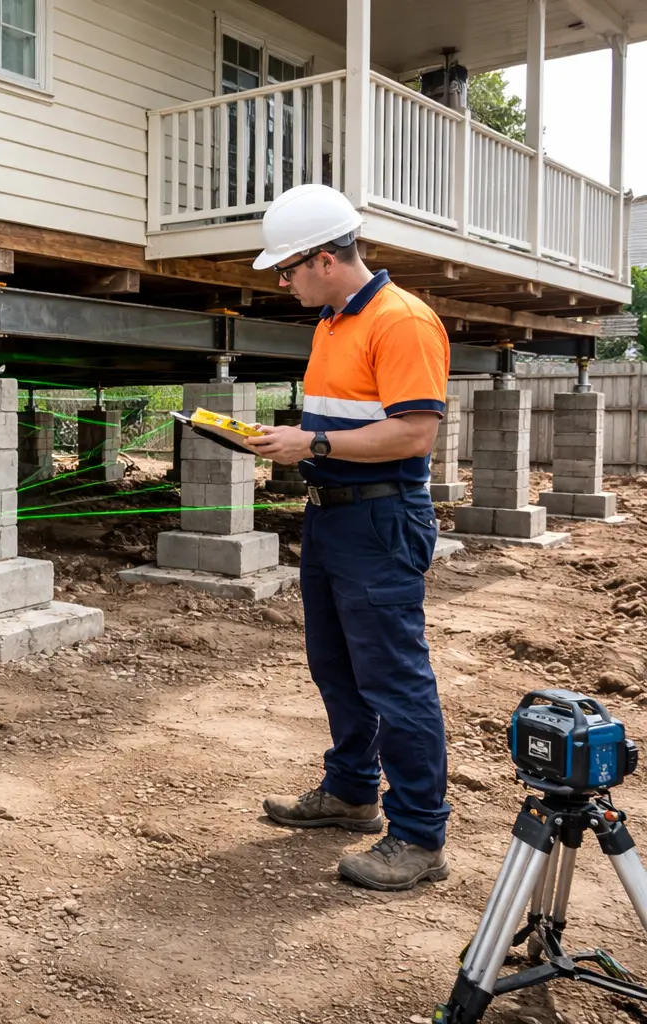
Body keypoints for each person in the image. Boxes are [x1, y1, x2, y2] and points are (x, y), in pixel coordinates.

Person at [243, 184, 452, 892]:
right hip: (333, 514)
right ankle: (352, 792)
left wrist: (313, 444)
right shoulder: (333, 323)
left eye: (288, 268)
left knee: (395, 679)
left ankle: (421, 837)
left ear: (327, 259)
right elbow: (338, 430)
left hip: (380, 517)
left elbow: (414, 430)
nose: (282, 280)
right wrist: (295, 446)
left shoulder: (402, 321)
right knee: (336, 665)